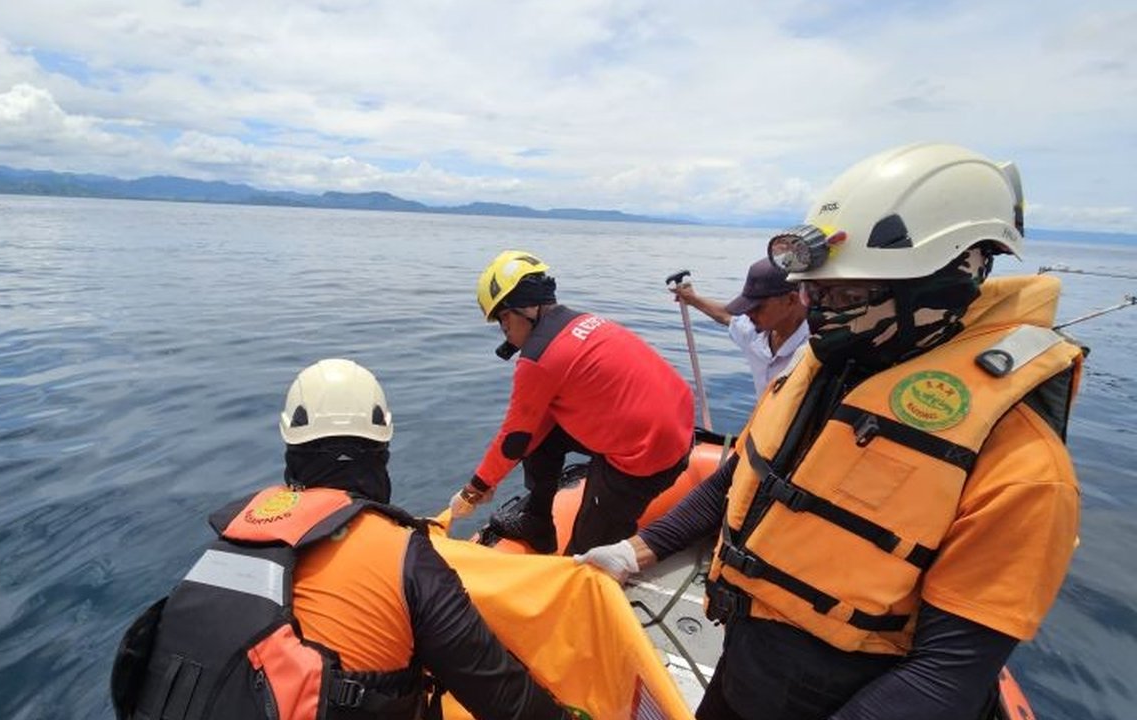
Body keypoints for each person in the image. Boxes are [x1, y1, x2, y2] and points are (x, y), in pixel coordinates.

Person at [576, 143, 1083, 720]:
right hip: (746, 670)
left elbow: (951, 670)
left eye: (845, 295)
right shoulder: (816, 374)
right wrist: (634, 550)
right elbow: (743, 477)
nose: (820, 313)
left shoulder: (1025, 468)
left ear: (942, 283)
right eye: (812, 293)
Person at [111, 359, 567, 720]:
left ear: (292, 454)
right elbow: (500, 693)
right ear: (382, 454)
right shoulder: (405, 555)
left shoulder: (228, 542)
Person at [449, 251, 694, 556]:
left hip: (644, 457)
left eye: (502, 320)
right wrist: (489, 480)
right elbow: (533, 428)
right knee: (542, 437)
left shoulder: (539, 358)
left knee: (585, 559)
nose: (506, 333)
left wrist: (474, 489)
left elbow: (514, 438)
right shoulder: (582, 321)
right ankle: (537, 522)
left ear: (518, 311)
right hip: (676, 431)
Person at [672, 258, 809, 397]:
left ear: (791, 300)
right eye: (747, 306)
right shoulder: (755, 332)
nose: (748, 313)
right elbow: (726, 316)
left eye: (757, 307)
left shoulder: (815, 348)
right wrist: (693, 299)